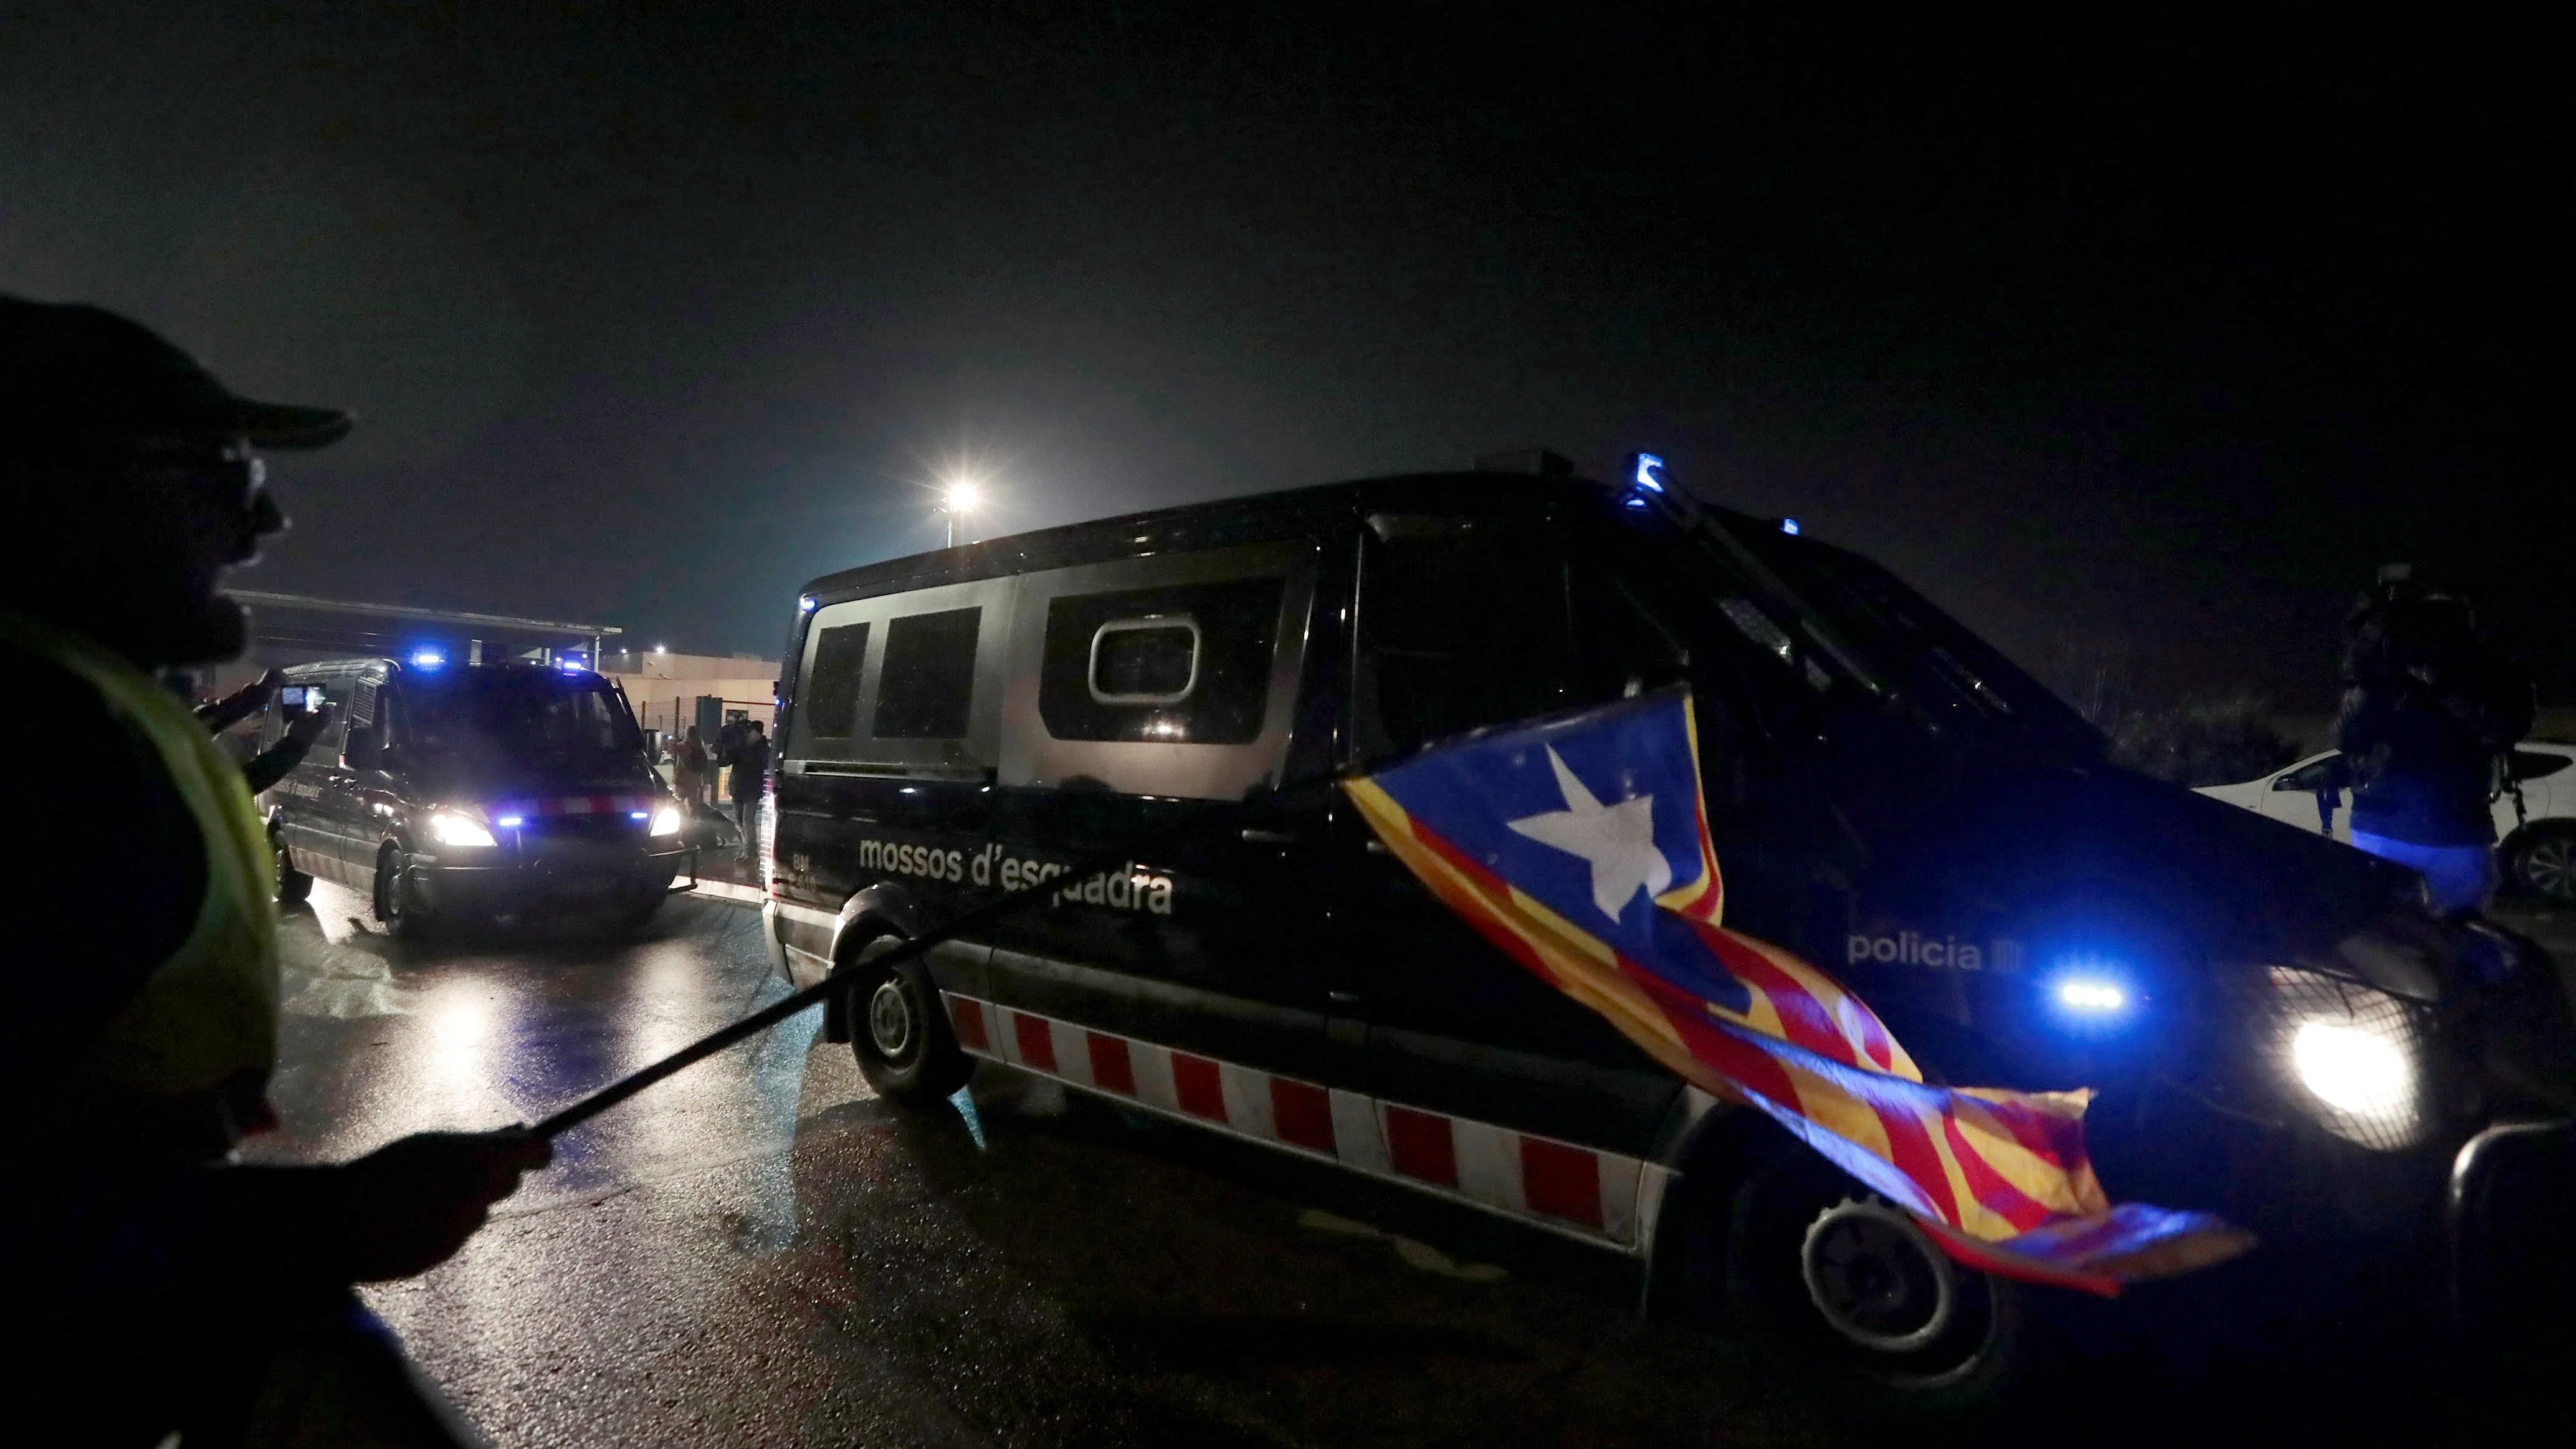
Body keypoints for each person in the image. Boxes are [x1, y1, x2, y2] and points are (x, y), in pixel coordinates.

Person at [0, 295, 548, 1445]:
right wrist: (318, 1226)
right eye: (215, 467)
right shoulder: (40, 747)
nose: (263, 517)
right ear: (47, 483)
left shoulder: (88, 707)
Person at [2335, 564, 2534, 916]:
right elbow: (2346, 736)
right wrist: (2369, 675)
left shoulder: (2484, 663)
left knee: (2459, 941)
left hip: (2454, 831)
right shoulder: (2382, 672)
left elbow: (2506, 724)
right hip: (2385, 827)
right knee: (2389, 945)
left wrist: (2438, 682)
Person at [727, 719, 770, 858]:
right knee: (739, 820)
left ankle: (751, 850)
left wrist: (746, 751)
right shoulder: (740, 743)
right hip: (738, 786)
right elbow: (726, 759)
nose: (749, 734)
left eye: (751, 731)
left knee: (748, 820)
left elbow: (764, 763)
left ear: (757, 733)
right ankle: (747, 847)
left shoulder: (763, 747)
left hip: (752, 788)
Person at [672, 724, 710, 813]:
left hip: (683, 777)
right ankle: (694, 819)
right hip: (696, 778)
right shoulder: (700, 745)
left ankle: (682, 818)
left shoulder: (684, 745)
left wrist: (677, 741)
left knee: (679, 800)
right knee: (693, 802)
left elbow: (673, 749)